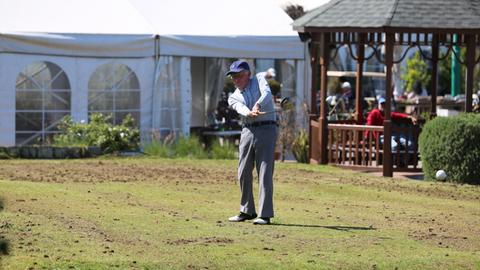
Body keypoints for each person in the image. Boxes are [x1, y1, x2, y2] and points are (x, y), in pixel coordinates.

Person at [226, 60, 277, 225]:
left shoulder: (259, 79)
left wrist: (258, 104)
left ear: (248, 74)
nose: (236, 80)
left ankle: (264, 214)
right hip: (248, 129)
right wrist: (249, 112)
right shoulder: (233, 96)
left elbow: (267, 94)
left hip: (267, 129)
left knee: (264, 171)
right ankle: (247, 211)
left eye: (239, 76)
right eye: (233, 77)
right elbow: (240, 108)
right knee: (243, 171)